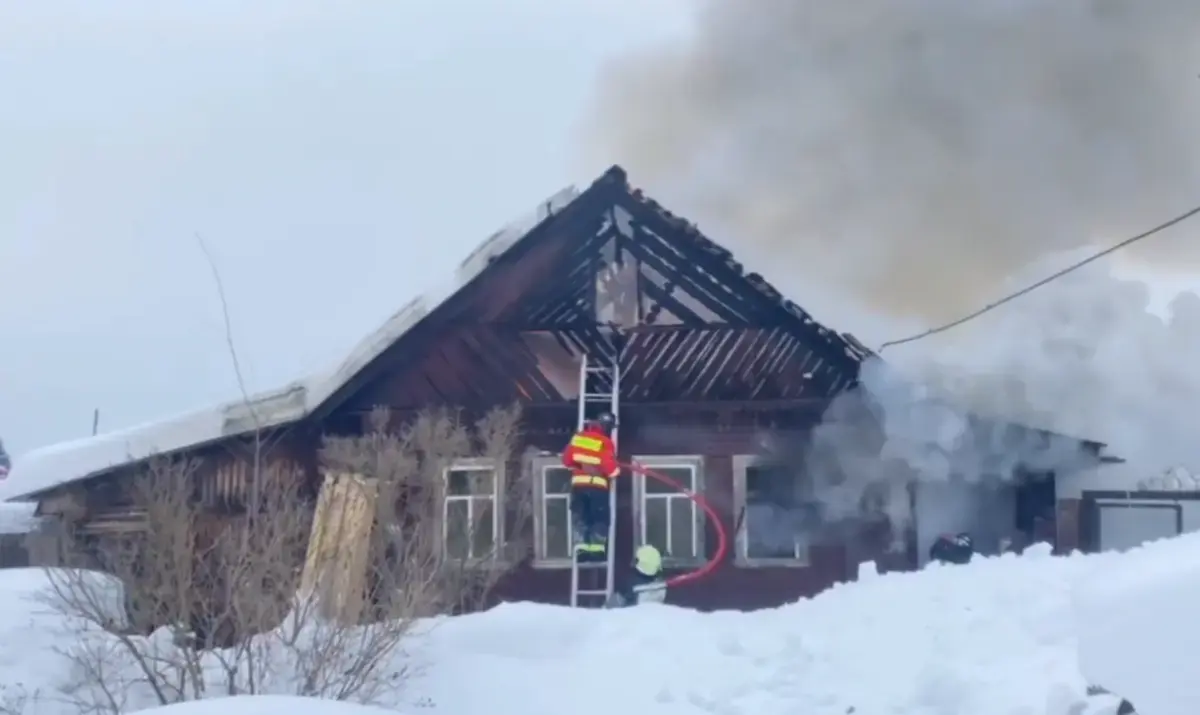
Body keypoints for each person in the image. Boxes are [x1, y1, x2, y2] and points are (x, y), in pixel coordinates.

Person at [561, 412, 619, 559]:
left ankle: (581, 550)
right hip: (597, 488)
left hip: (578, 487)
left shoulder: (578, 438)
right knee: (599, 519)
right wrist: (616, 470)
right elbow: (610, 469)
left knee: (581, 518)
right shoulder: (605, 442)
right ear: (607, 427)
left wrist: (581, 466)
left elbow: (566, 460)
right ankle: (596, 551)